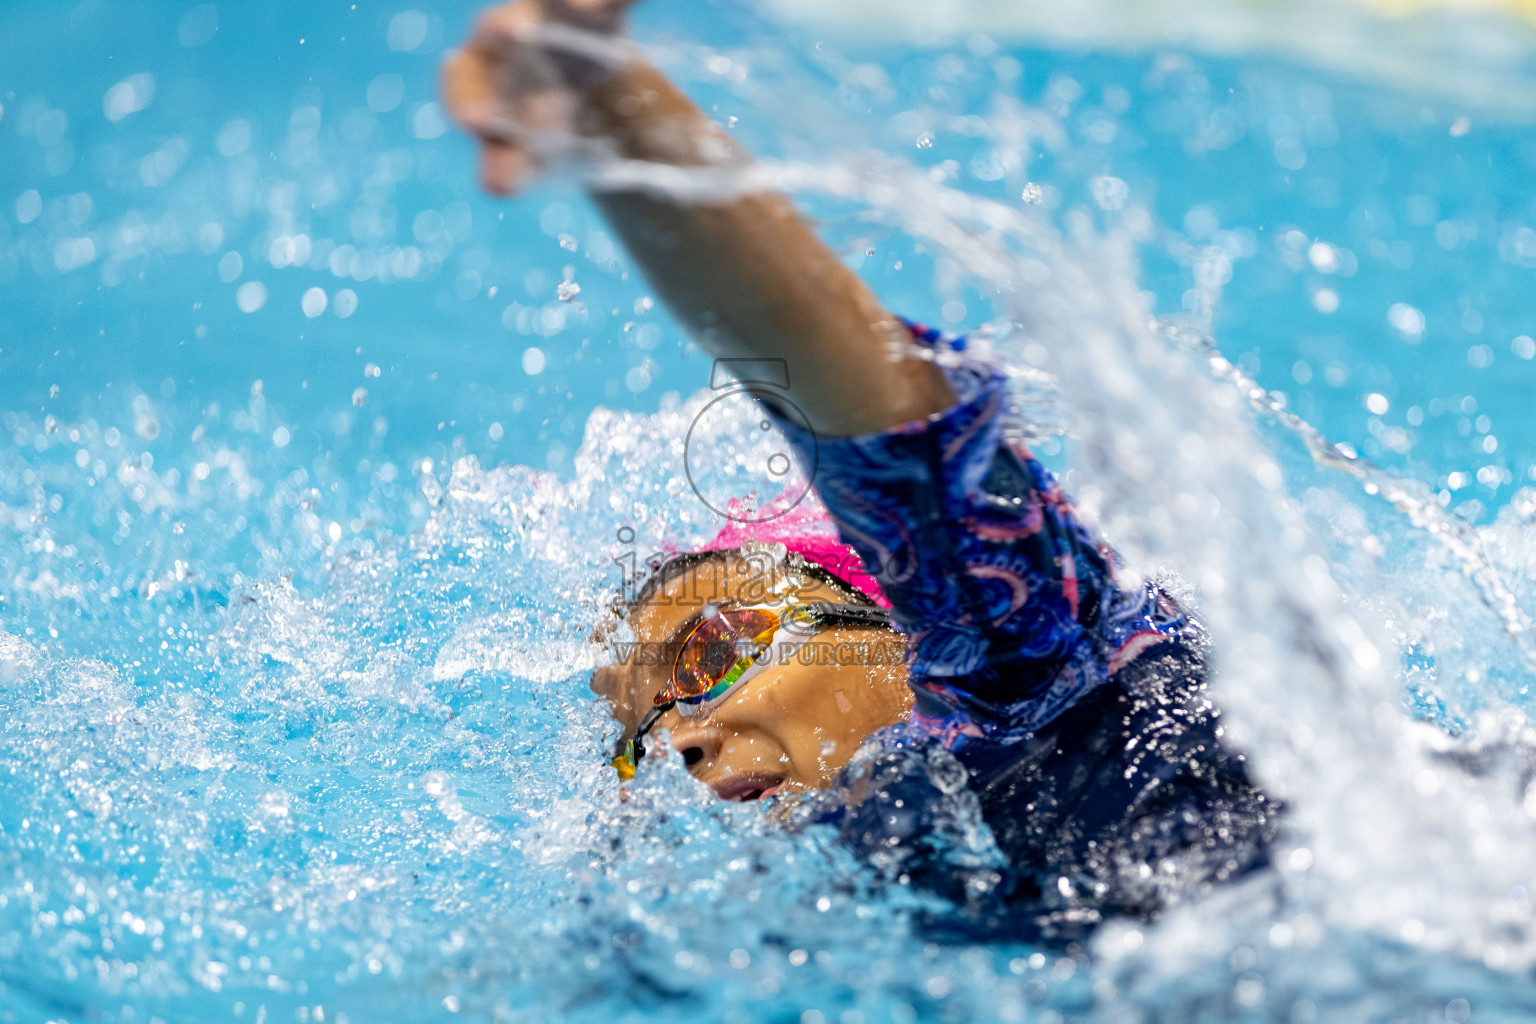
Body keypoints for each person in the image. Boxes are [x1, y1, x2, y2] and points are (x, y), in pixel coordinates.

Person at [441, 0, 1276, 940]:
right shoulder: (877, 864)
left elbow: (849, 397)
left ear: (882, 606)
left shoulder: (1017, 650)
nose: (686, 737)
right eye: (649, 738)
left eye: (708, 653)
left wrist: (609, 109)